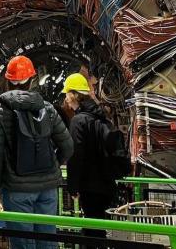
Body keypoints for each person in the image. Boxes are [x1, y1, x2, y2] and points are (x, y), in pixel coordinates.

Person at [0, 56, 74, 249]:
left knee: (22, 243)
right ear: (31, 80)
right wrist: (53, 165)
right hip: (47, 188)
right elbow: (68, 146)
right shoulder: (48, 109)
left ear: (8, 81)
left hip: (16, 188)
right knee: (48, 241)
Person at [64, 73, 118, 238]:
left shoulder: (79, 121)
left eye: (67, 94)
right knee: (100, 229)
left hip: (90, 187)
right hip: (107, 185)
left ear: (74, 95)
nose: (66, 99)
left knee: (91, 231)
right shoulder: (103, 118)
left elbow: (76, 155)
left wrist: (72, 186)